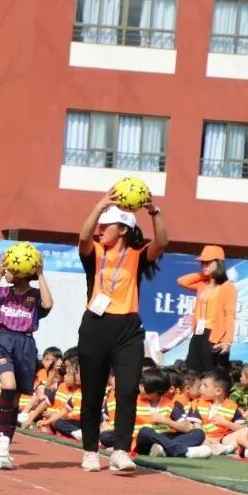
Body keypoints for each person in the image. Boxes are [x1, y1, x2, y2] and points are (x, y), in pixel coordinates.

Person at [76, 194, 168, 473]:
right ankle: (90, 451)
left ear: (124, 229)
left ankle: (120, 451)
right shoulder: (95, 251)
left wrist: (154, 211)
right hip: (95, 326)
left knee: (127, 391)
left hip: (128, 329)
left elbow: (162, 242)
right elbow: (83, 237)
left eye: (107, 225)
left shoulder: (137, 256)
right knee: (92, 393)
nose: (101, 229)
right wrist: (99, 206)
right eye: (100, 225)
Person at [0, 255, 53, 469]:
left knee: (14, 399)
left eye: (12, 268)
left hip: (25, 345)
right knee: (9, 385)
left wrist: (40, 274)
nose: (8, 271)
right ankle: (3, 439)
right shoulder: (2, 292)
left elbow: (48, 304)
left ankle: (4, 446)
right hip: (3, 341)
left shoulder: (35, 295)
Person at [177, 246, 236, 373]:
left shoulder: (228, 286)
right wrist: (203, 275)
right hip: (198, 333)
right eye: (202, 263)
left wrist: (227, 341)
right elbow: (181, 281)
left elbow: (230, 315)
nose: (204, 265)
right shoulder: (203, 284)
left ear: (219, 263)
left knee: (211, 373)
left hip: (214, 335)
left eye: (208, 262)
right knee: (192, 371)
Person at [132, 369, 205, 458]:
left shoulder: (170, 404)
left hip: (165, 438)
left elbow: (186, 428)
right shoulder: (134, 401)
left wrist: (165, 421)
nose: (139, 386)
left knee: (199, 433)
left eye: (142, 385)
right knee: (145, 431)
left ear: (155, 390)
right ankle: (181, 450)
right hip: (145, 442)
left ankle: (163, 450)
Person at [184, 372, 246, 458]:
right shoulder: (197, 403)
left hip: (223, 440)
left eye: (205, 386)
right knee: (194, 434)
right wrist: (207, 438)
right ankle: (219, 448)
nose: (200, 388)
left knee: (246, 431)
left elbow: (241, 428)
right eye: (201, 385)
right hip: (204, 438)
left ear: (218, 391)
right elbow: (196, 425)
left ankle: (226, 448)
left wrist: (225, 423)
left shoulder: (232, 406)